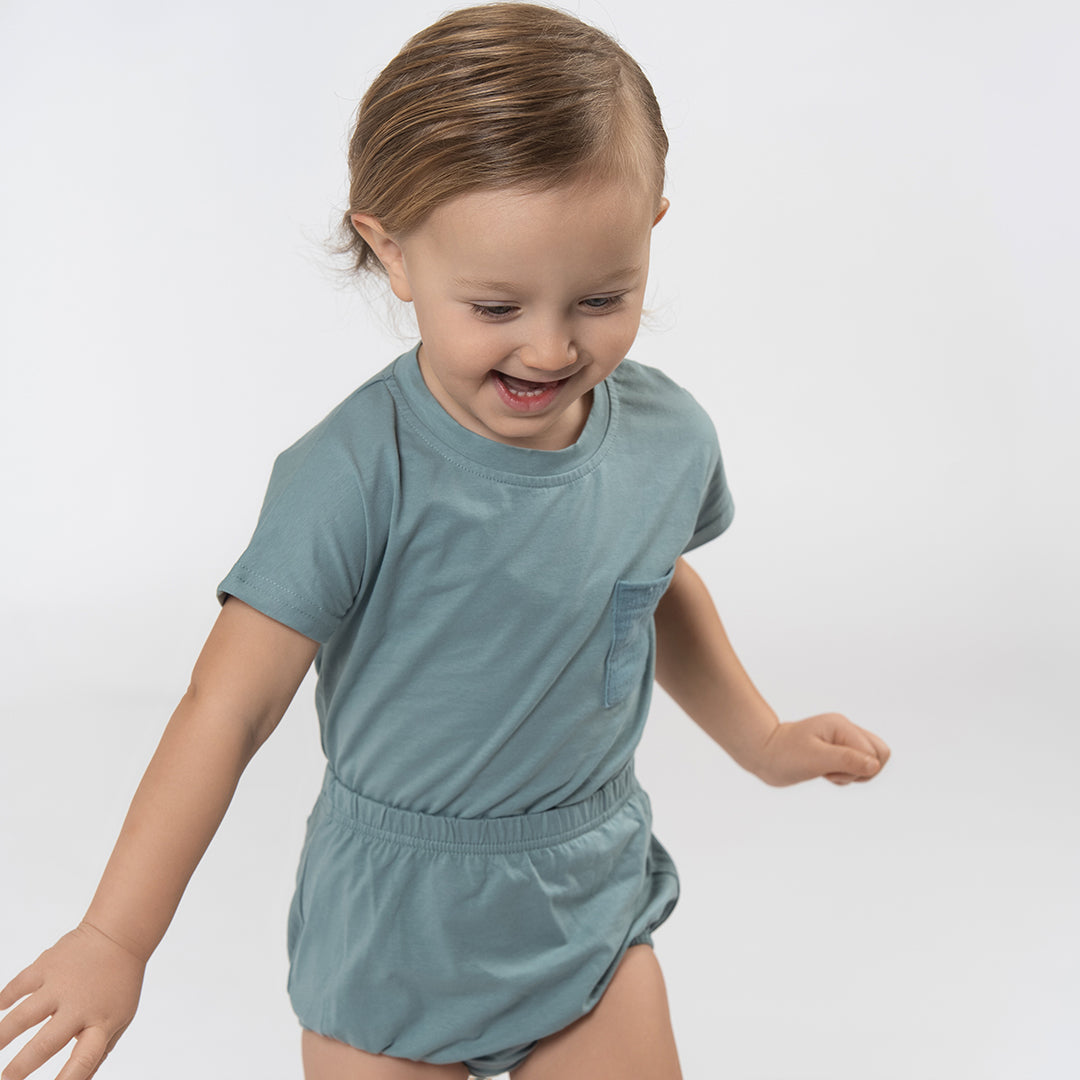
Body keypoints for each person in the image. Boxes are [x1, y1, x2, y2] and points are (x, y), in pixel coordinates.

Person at [0, 4, 890, 1079]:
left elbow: (651, 587)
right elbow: (226, 708)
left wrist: (763, 739)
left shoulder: (667, 438)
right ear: (393, 252)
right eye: (497, 306)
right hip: (396, 926)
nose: (551, 348)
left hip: (588, 901)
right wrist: (115, 936)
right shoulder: (354, 473)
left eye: (601, 297)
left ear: (653, 229)